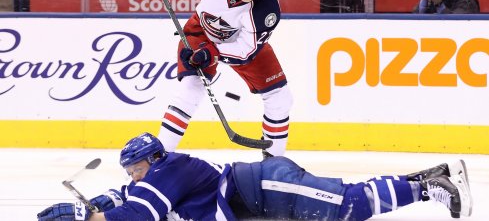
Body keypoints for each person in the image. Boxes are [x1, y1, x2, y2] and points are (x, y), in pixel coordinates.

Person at [37, 132, 473, 221]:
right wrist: (93, 204)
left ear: (150, 160)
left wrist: (88, 218)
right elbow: (125, 197)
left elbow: (141, 213)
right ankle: (427, 176)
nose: (132, 175)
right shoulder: (155, 177)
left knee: (347, 206)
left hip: (263, 186)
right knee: (346, 205)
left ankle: (428, 188)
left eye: (135, 167)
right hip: (258, 200)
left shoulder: (169, 170)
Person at [141, 0, 293, 157]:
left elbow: (245, 51)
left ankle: (275, 163)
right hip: (201, 33)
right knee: (190, 88)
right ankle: (158, 158)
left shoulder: (267, 10)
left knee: (280, 98)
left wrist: (212, 52)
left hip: (241, 44)